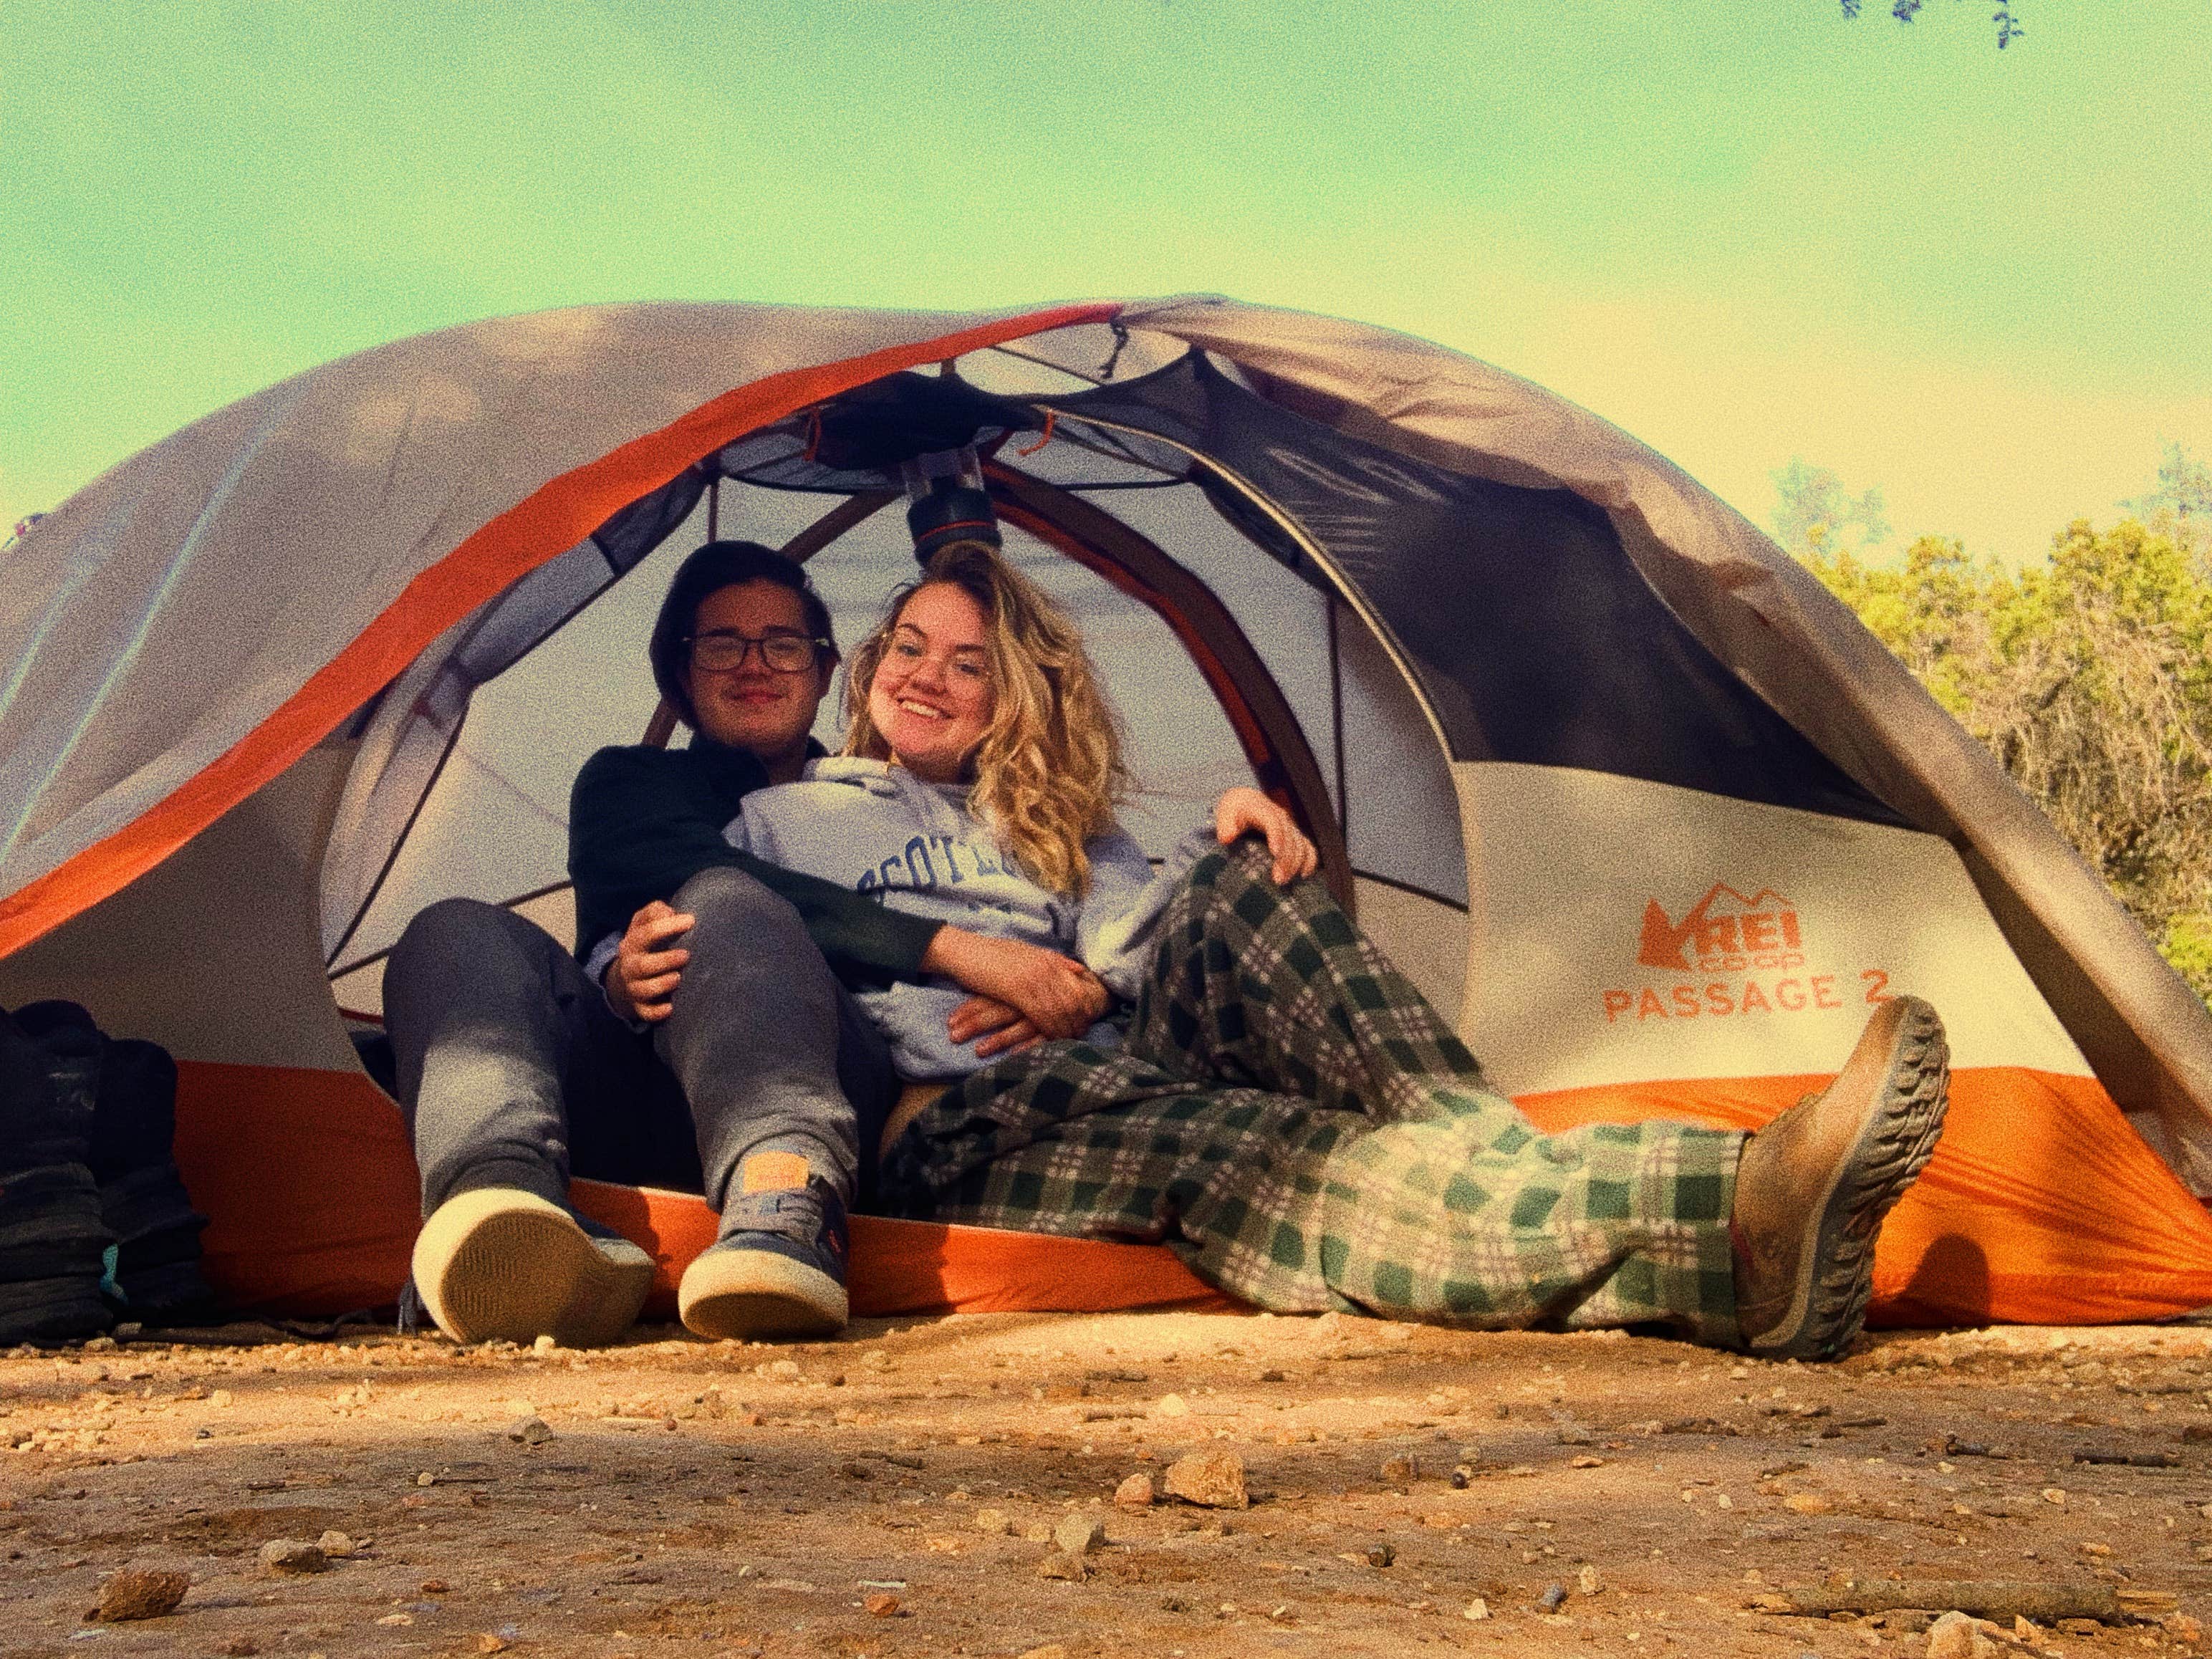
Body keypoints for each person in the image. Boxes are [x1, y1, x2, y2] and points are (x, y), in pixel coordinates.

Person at [710, 538, 1952, 1360]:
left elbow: (1133, 955)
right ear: (867, 669)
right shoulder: (784, 814)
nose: (927, 676)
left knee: (1241, 891)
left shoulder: (1046, 825)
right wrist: (972, 967)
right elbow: (733, 980)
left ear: (1012, 698)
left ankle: (1557, 1182)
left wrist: (1221, 849)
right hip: (965, 1127)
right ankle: (1721, 1207)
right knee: (1265, 1150)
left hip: (1111, 1060)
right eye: (908, 647)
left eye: (967, 663)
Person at [383, 541, 1112, 1348]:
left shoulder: (875, 798)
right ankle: (498, 1211)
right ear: (681, 673)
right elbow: (692, 869)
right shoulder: (631, 783)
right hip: (641, 1095)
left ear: (829, 669)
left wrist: (1055, 994)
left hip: (828, 1095)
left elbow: (1054, 889)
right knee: (452, 931)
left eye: (784, 644)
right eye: (722, 645)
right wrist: (615, 986)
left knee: (731, 904)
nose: (754, 665)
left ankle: (786, 1210)